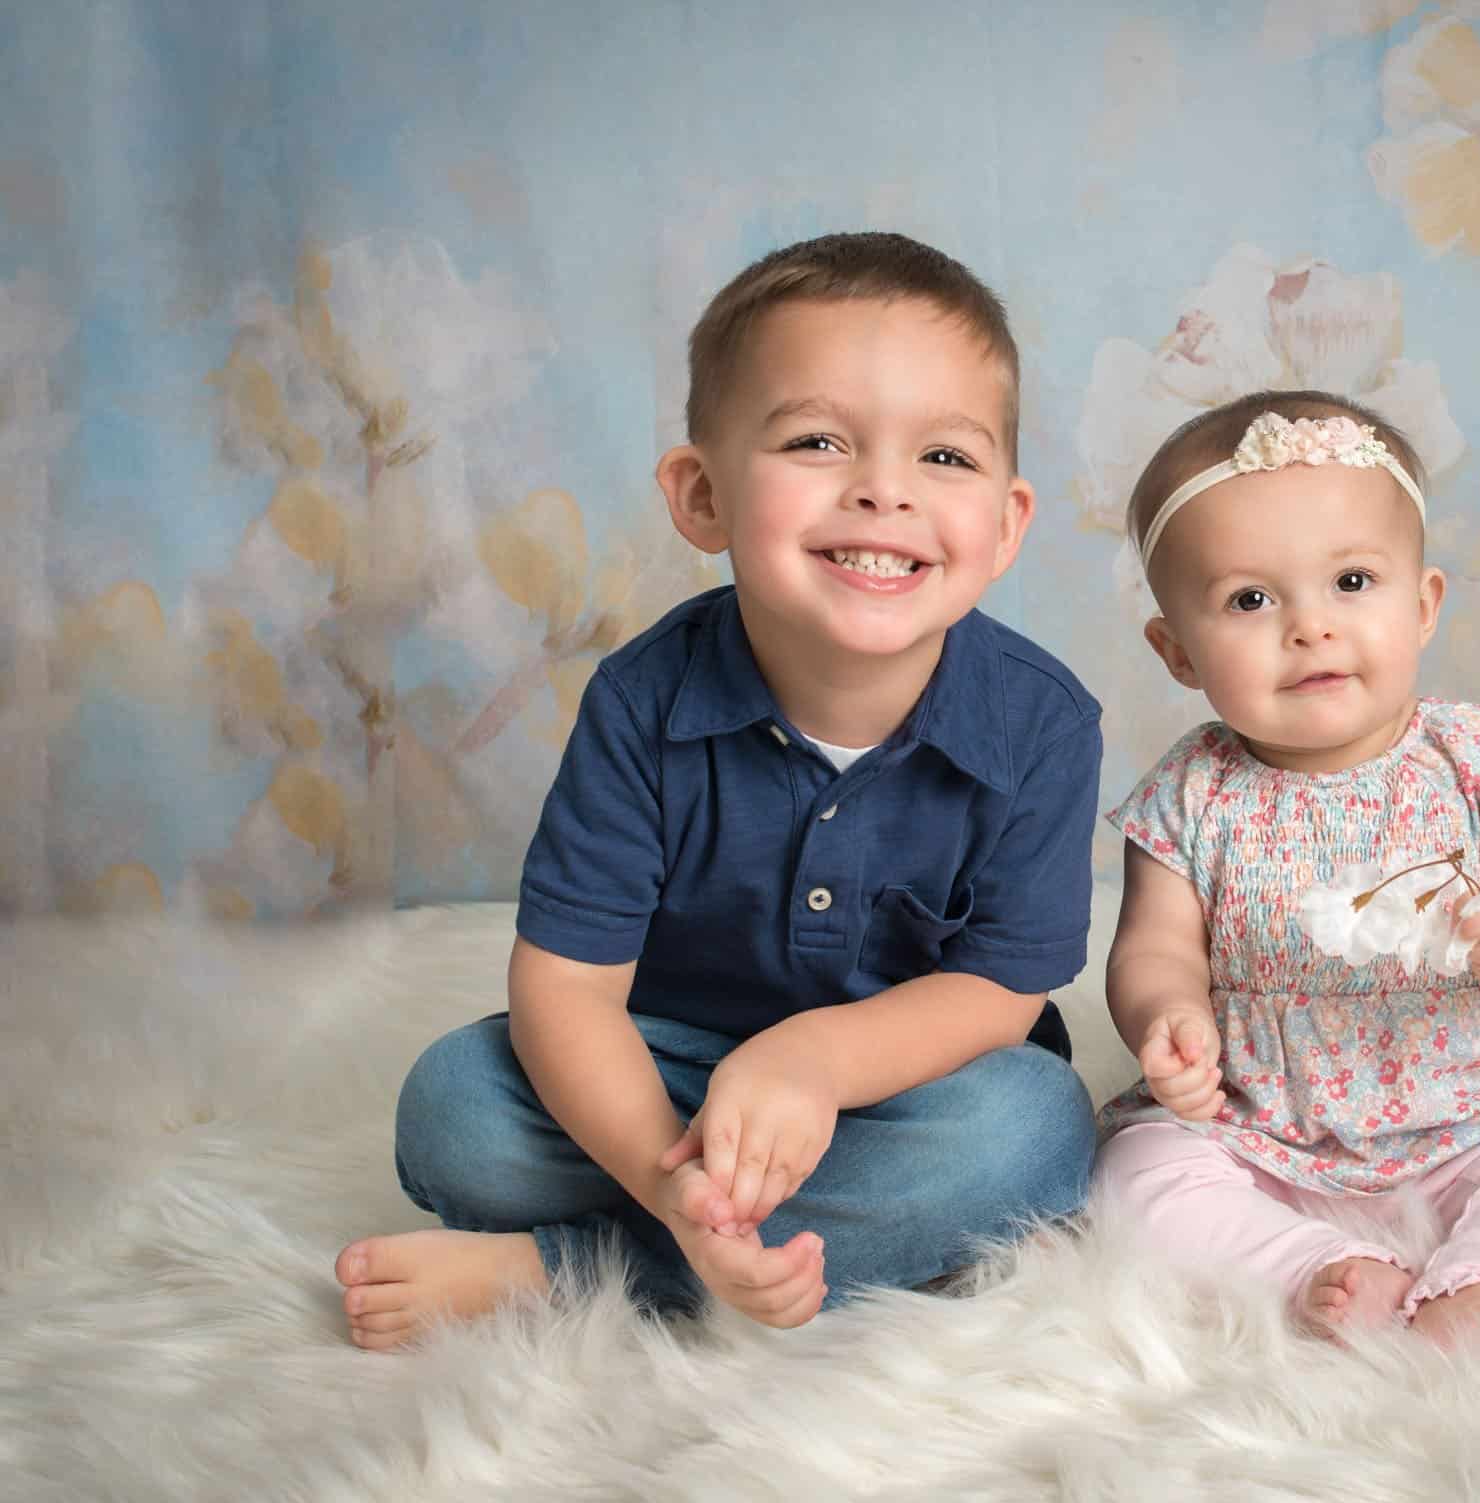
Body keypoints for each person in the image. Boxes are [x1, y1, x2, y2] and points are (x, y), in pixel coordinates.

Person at [335, 232, 1102, 1350]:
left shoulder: (1040, 721)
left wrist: (813, 1064)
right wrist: (666, 1176)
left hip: (895, 1092)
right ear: (701, 496)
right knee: (455, 1109)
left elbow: (996, 990)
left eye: (944, 458)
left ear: (1006, 524)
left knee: (1032, 1134)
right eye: (816, 441)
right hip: (671, 1060)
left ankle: (571, 1275)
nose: (884, 490)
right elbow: (567, 990)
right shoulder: (645, 700)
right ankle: (697, 1234)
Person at [1095, 389, 1480, 1363]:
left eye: (1350, 581)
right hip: (1265, 1124)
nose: (1310, 627)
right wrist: (1165, 1019)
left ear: (1421, 606)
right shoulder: (1189, 794)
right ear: (1175, 650)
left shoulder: (1472, 761)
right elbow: (1152, 949)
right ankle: (1311, 1268)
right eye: (1250, 600)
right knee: (1137, 1175)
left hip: (1475, 1108)